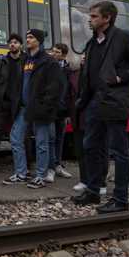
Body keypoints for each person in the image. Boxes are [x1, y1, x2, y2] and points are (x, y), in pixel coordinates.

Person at [72, 1, 129, 214]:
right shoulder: (91, 43)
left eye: (95, 16)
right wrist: (82, 101)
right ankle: (94, 190)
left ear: (107, 18)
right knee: (91, 147)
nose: (90, 19)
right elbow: (89, 75)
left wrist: (121, 77)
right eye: (91, 16)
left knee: (119, 151)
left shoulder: (125, 38)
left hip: (114, 102)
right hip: (93, 104)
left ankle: (121, 198)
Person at [3, 29, 63, 188]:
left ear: (39, 41)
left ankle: (41, 176)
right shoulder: (26, 60)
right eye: (27, 37)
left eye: (30, 37)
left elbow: (55, 87)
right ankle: (21, 173)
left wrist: (46, 106)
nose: (27, 40)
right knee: (15, 138)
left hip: (39, 108)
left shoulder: (49, 62)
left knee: (42, 143)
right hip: (24, 108)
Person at [0, 33, 24, 154]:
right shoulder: (3, 61)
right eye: (10, 42)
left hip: (20, 104)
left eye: (15, 42)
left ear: (20, 45)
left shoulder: (26, 60)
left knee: (23, 136)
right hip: (4, 103)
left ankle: (26, 166)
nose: (12, 44)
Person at [49, 43, 74, 181]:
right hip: (50, 110)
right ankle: (51, 168)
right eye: (53, 51)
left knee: (60, 139)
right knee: (51, 139)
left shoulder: (69, 70)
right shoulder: (49, 67)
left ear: (64, 55)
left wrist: (69, 112)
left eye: (57, 52)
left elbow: (70, 92)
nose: (53, 53)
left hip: (63, 110)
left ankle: (57, 165)